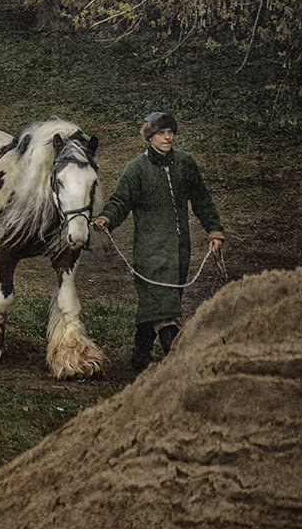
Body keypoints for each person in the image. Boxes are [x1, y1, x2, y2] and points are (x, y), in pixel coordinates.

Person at [93, 111, 225, 373]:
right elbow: (120, 201)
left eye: (171, 132)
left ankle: (139, 361)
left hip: (180, 251)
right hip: (149, 251)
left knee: (158, 305)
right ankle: (181, 367)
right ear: (149, 135)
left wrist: (214, 230)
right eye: (162, 133)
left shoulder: (186, 163)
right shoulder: (136, 169)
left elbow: (202, 199)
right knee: (165, 311)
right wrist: (107, 218)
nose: (168, 137)